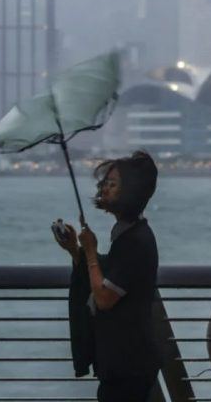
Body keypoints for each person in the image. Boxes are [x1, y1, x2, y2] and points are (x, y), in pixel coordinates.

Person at [54, 150, 161, 402]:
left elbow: (104, 297)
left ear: (131, 192)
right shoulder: (127, 234)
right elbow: (108, 271)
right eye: (105, 182)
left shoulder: (135, 241)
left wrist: (90, 251)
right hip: (123, 360)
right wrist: (75, 250)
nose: (104, 188)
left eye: (112, 184)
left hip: (129, 362)